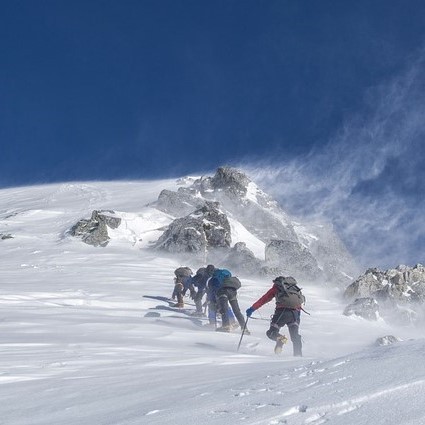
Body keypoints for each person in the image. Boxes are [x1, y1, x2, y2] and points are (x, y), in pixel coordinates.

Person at [246, 276, 305, 356]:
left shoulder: (277, 287)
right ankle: (298, 356)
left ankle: (280, 339)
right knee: (295, 336)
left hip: (281, 313)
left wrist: (252, 309)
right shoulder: (295, 288)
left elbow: (264, 299)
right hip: (295, 314)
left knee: (271, 332)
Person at [209, 268, 250, 334]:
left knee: (223, 310)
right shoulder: (226, 273)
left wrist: (213, 302)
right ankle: (244, 328)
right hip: (233, 291)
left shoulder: (213, 279)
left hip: (223, 292)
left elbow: (212, 291)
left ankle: (226, 326)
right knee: (237, 311)